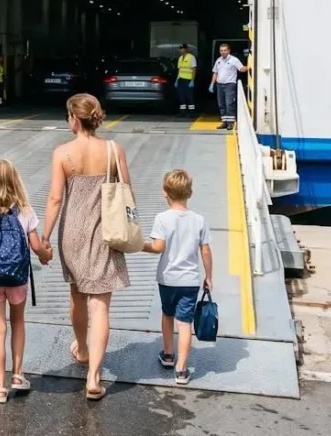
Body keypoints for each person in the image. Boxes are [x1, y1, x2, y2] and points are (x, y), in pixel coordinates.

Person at [42, 93, 132, 400]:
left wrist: (43, 237)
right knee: (101, 305)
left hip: (73, 233)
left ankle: (81, 348)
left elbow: (55, 199)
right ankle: (94, 376)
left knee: (78, 294)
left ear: (74, 118)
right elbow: (126, 192)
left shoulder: (62, 153)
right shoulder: (113, 150)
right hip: (106, 232)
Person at [0, 159, 53, 403]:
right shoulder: (25, 210)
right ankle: (17, 375)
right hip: (17, 278)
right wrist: (47, 255)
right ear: (16, 181)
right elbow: (37, 247)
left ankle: (0, 386)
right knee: (18, 323)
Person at [141, 169, 212, 385]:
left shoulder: (162, 218)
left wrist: (140, 246)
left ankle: (168, 354)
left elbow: (157, 247)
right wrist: (209, 276)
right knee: (184, 324)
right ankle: (181, 370)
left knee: (167, 315)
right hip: (189, 281)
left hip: (167, 279)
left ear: (165, 193)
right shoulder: (199, 220)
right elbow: (206, 251)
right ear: (189, 192)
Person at [209, 44, 249, 130]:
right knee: (221, 104)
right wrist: (212, 84)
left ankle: (230, 123)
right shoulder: (218, 60)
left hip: (229, 85)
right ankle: (224, 122)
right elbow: (215, 73)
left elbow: (241, 69)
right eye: (221, 50)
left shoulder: (234, 60)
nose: (223, 52)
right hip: (219, 85)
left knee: (229, 104)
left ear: (229, 50)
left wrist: (250, 66)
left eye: (225, 50)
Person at [176, 44, 197, 115]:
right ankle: (182, 111)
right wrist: (176, 80)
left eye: (182, 48)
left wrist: (192, 80)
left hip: (188, 80)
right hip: (181, 80)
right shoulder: (180, 58)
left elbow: (194, 69)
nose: (181, 50)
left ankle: (191, 112)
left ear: (186, 49)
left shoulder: (191, 57)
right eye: (180, 49)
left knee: (189, 96)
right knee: (181, 96)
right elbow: (180, 70)